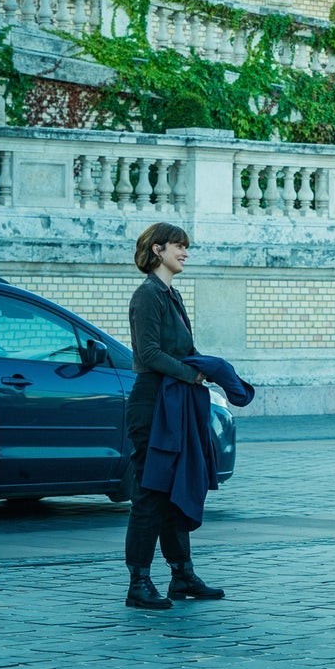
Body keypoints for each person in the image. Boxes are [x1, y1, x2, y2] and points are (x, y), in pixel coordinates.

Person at [123, 222, 222, 611]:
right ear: (158, 250)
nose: (185, 252)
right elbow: (148, 354)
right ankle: (139, 582)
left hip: (175, 401)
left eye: (186, 247)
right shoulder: (147, 295)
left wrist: (208, 369)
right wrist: (192, 373)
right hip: (152, 403)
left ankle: (181, 575)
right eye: (179, 246)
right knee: (150, 493)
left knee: (176, 488)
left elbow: (183, 349)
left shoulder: (171, 294)